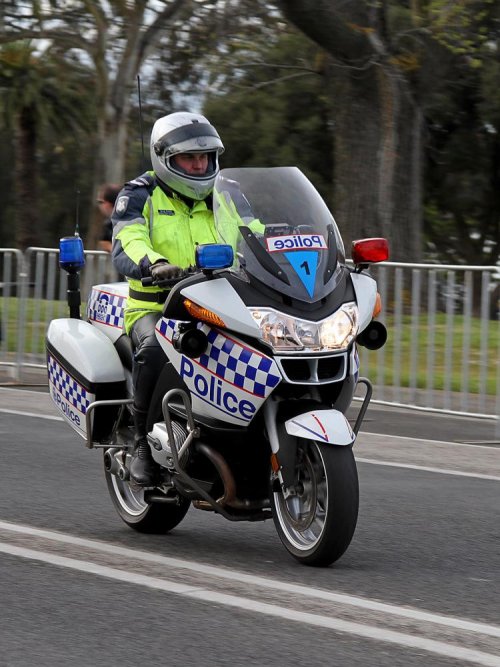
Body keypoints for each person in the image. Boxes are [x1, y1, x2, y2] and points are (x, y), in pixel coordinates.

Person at [111, 111, 225, 486]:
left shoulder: (224, 197)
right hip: (157, 307)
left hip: (219, 306)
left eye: (204, 157)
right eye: (189, 158)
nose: (198, 165)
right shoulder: (140, 193)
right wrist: (154, 262)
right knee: (156, 349)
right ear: (164, 158)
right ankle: (143, 443)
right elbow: (128, 240)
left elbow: (255, 231)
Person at [96, 183, 121, 253]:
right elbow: (104, 241)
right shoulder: (108, 224)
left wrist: (116, 251)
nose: (99, 206)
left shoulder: (115, 223)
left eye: (101, 202)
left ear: (109, 203)